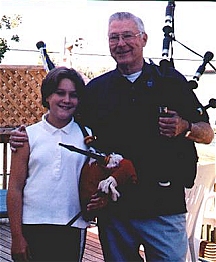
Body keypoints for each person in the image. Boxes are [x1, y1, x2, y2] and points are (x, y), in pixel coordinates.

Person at [9, 12, 215, 262]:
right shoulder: (97, 90)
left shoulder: (171, 83)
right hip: (115, 213)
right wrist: (24, 136)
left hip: (163, 210)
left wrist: (185, 126)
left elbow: (207, 133)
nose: (121, 43)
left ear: (144, 39)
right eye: (114, 37)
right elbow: (62, 119)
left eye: (128, 35)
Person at [7, 67, 93, 262]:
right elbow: (15, 188)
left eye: (73, 95)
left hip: (72, 226)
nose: (66, 100)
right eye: (60, 93)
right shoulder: (28, 136)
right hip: (32, 225)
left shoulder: (87, 136)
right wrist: (16, 236)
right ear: (47, 97)